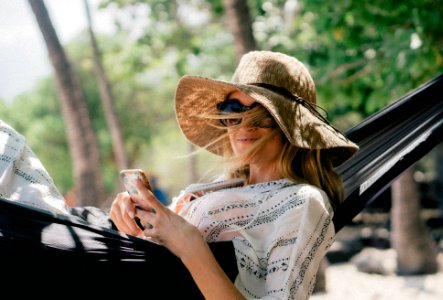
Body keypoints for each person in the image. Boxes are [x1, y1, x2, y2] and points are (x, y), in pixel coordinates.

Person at [109, 51, 359, 299]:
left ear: (292, 127)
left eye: (261, 115)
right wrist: (135, 220)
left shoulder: (302, 202)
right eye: (233, 110)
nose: (244, 125)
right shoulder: (222, 186)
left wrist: (191, 247)